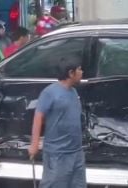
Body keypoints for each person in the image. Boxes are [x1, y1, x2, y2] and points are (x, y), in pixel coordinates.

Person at [28, 55, 86, 188]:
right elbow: (38, 117)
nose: (82, 72)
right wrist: (35, 143)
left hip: (76, 153)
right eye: (79, 69)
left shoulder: (73, 91)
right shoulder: (50, 92)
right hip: (57, 154)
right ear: (71, 73)